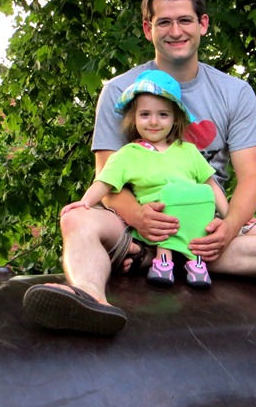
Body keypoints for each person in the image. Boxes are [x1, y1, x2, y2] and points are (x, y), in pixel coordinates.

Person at [23, 0, 256, 336]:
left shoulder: (235, 92)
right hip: (135, 224)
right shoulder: (118, 90)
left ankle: (180, 258)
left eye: (184, 20)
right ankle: (91, 297)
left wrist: (227, 229)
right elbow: (107, 178)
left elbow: (251, 178)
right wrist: (141, 219)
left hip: (203, 230)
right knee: (77, 221)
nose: (175, 31)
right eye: (164, 22)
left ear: (203, 25)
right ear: (148, 28)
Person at [59, 69, 228, 289]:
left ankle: (195, 264)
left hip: (194, 221)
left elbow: (211, 185)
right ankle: (162, 261)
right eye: (145, 114)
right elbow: (104, 182)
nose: (154, 122)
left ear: (175, 118)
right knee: (166, 205)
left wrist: (233, 217)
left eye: (163, 115)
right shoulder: (129, 154)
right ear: (134, 118)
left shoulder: (189, 151)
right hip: (159, 224)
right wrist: (85, 203)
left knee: (200, 201)